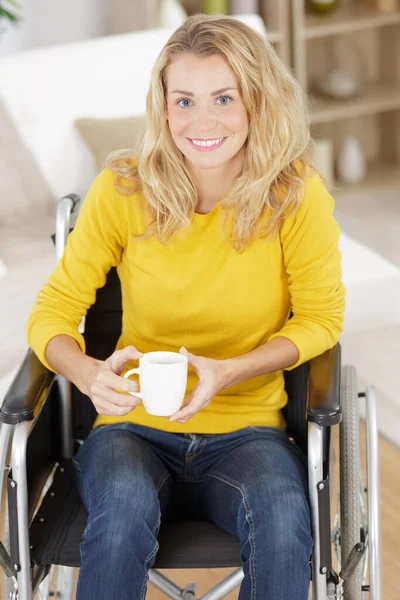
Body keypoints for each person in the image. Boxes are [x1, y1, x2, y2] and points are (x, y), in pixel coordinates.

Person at [27, 13, 345, 600]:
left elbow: (322, 318)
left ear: (257, 101)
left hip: (248, 431)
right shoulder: (123, 189)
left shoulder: (294, 196)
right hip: (131, 431)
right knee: (119, 517)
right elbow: (52, 311)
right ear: (164, 107)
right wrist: (87, 374)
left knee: (281, 521)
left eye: (224, 98)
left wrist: (230, 371)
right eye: (184, 100)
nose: (202, 122)